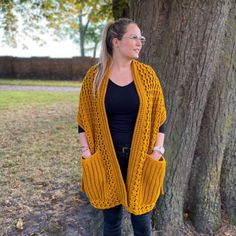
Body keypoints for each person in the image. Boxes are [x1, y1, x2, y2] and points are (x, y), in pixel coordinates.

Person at [77, 18, 167, 236]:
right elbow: (83, 121)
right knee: (111, 222)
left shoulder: (147, 75)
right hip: (106, 158)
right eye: (134, 37)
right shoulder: (94, 77)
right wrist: (87, 153)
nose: (140, 42)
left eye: (141, 38)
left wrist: (157, 151)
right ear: (115, 41)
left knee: (142, 222)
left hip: (142, 158)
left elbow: (160, 118)